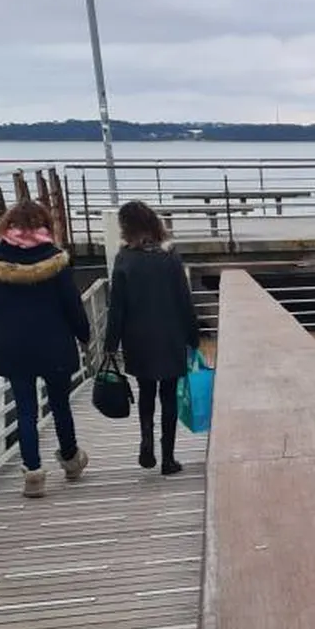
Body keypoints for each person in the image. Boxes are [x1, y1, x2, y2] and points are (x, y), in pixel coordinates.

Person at [0, 199, 91, 498]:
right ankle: (71, 461)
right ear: (44, 225)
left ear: (8, 227)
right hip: (54, 345)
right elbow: (72, 306)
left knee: (26, 411)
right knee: (59, 405)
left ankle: (33, 474)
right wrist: (84, 335)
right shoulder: (56, 262)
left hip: (13, 346)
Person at [105, 201, 200, 477]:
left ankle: (146, 442)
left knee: (146, 392)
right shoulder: (169, 256)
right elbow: (184, 300)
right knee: (168, 395)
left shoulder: (125, 259)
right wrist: (193, 336)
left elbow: (117, 307)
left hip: (138, 339)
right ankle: (168, 458)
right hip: (170, 335)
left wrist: (111, 344)